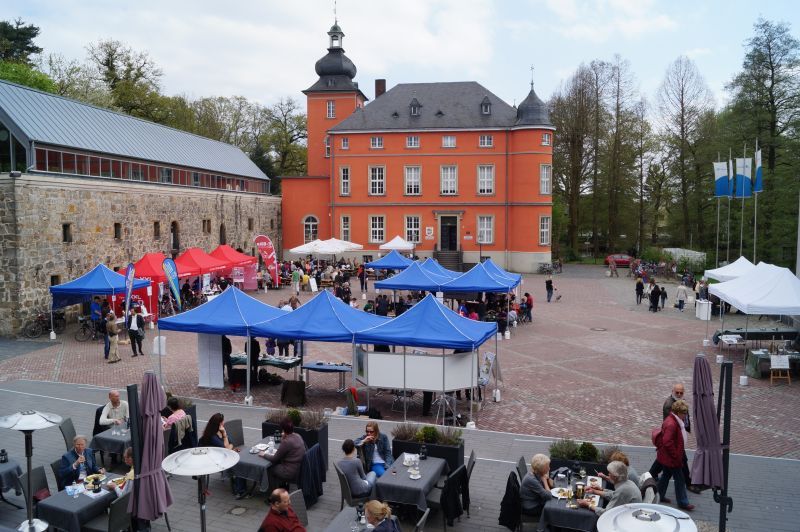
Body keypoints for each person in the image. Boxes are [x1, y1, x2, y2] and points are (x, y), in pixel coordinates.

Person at [654, 399, 694, 510]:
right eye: (684, 413)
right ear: (678, 412)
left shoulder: (672, 420)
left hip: (668, 457)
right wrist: (676, 455)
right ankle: (683, 502)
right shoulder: (672, 423)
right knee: (680, 480)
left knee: (665, 476)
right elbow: (667, 441)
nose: (685, 415)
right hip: (672, 458)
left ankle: (658, 495)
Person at [260, 418, 306, 488]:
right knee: (277, 463)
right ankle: (282, 485)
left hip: (289, 472)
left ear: (283, 430)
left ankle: (276, 492)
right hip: (300, 469)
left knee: (268, 468)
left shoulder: (286, 442)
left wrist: (264, 454)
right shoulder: (298, 436)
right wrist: (284, 437)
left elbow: (274, 459)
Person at [520, 453, 553, 518]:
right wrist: (545, 480)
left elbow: (552, 484)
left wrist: (547, 478)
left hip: (536, 500)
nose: (549, 468)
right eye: (547, 467)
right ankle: (546, 527)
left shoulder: (536, 473)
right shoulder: (531, 480)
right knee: (552, 510)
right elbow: (548, 496)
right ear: (542, 469)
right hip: (531, 507)